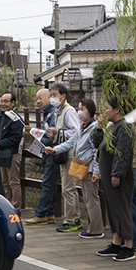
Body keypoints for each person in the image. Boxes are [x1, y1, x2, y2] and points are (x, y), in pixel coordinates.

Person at [47, 98, 105, 239]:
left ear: (90, 111)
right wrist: (55, 149)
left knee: (91, 199)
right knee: (87, 198)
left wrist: (96, 171)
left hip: (89, 167)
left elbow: (97, 151)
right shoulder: (81, 127)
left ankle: (96, 229)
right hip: (82, 166)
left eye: (82, 109)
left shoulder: (95, 128)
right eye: (78, 109)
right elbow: (70, 142)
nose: (79, 112)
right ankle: (93, 228)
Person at [93, 95, 136, 262]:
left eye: (107, 108)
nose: (105, 111)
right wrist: (98, 126)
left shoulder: (124, 127)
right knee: (112, 208)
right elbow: (96, 143)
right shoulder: (112, 127)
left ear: (117, 109)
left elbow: (122, 153)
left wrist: (117, 174)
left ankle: (128, 246)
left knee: (122, 208)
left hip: (119, 176)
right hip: (108, 175)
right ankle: (116, 242)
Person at [44, 83, 82, 232]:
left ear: (63, 96)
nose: (52, 98)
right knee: (69, 188)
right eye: (51, 95)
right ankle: (75, 218)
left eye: (54, 95)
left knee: (67, 188)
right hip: (64, 153)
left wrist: (58, 132)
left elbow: (76, 132)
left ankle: (70, 220)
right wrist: (54, 134)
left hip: (70, 154)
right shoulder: (58, 111)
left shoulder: (68, 111)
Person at [24, 88, 59, 225]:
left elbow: (51, 134)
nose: (37, 101)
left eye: (40, 98)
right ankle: (50, 213)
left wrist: (34, 131)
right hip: (46, 151)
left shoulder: (53, 113)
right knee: (51, 184)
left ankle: (41, 213)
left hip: (52, 151)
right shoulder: (47, 112)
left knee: (47, 183)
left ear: (49, 98)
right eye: (36, 99)